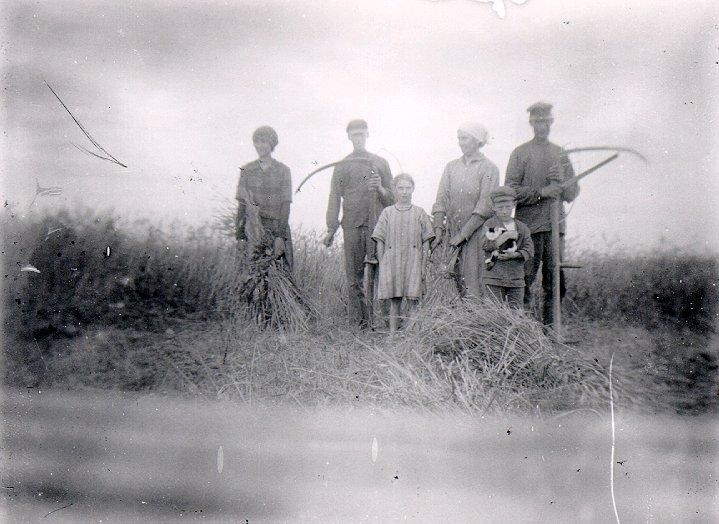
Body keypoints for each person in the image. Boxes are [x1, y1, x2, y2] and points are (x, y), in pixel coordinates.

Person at [505, 102, 579, 324]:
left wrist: (563, 182)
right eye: (538, 122)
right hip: (527, 228)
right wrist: (541, 192)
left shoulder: (560, 154)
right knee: (522, 281)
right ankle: (522, 331)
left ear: (551, 122)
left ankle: (550, 333)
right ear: (531, 123)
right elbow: (510, 191)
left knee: (555, 284)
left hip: (555, 228)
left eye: (546, 121)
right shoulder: (520, 153)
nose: (542, 126)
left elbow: (572, 193)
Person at [323, 119, 394, 328]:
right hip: (352, 225)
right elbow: (334, 197)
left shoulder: (380, 163)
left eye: (362, 134)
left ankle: (384, 323)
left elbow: (392, 198)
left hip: (377, 227)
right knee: (354, 277)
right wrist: (331, 228)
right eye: (355, 135)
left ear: (367, 134)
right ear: (349, 137)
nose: (359, 138)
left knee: (382, 274)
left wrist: (380, 188)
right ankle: (359, 324)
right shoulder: (342, 165)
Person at [431, 122, 500, 297]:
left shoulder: (489, 168)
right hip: (452, 233)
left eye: (464, 138)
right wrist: (438, 229)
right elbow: (441, 199)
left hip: (476, 234)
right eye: (459, 138)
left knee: (473, 282)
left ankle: (473, 314)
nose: (460, 142)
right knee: (451, 281)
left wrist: (463, 235)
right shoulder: (451, 167)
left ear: (477, 140)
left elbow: (485, 206)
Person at [372, 174, 435, 333]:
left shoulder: (419, 213)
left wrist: (423, 265)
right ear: (394, 189)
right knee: (395, 300)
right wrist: (383, 264)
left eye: (408, 188)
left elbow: (426, 241)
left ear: (413, 189)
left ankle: (413, 336)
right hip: (393, 261)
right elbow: (380, 240)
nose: (404, 192)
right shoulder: (387, 212)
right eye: (401, 188)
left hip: (413, 261)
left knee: (413, 300)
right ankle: (393, 336)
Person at [236, 126, 294, 268]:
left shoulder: (283, 171)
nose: (260, 145)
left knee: (281, 272)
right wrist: (240, 236)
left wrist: (280, 236)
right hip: (254, 229)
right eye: (257, 142)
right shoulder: (247, 170)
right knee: (252, 273)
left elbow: (285, 205)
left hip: (276, 227)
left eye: (264, 141)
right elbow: (242, 205)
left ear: (272, 144)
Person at [481, 186, 534, 310]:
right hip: (494, 277)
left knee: (516, 313)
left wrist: (515, 255)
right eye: (500, 208)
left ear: (514, 205)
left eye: (508, 207)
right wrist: (506, 236)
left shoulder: (522, 227)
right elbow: (485, 244)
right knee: (493, 312)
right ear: (493, 207)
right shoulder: (490, 224)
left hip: (516, 278)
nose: (504, 211)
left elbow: (530, 249)